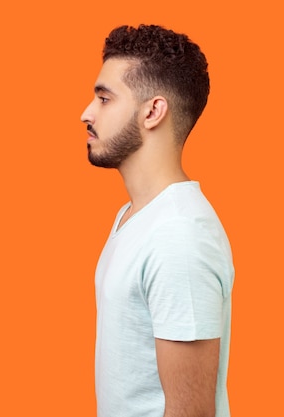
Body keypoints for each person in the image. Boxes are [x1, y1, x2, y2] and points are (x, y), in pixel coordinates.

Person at [80, 24, 235, 417]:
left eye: (103, 98)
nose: (86, 113)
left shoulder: (178, 237)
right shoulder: (135, 217)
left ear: (153, 112)